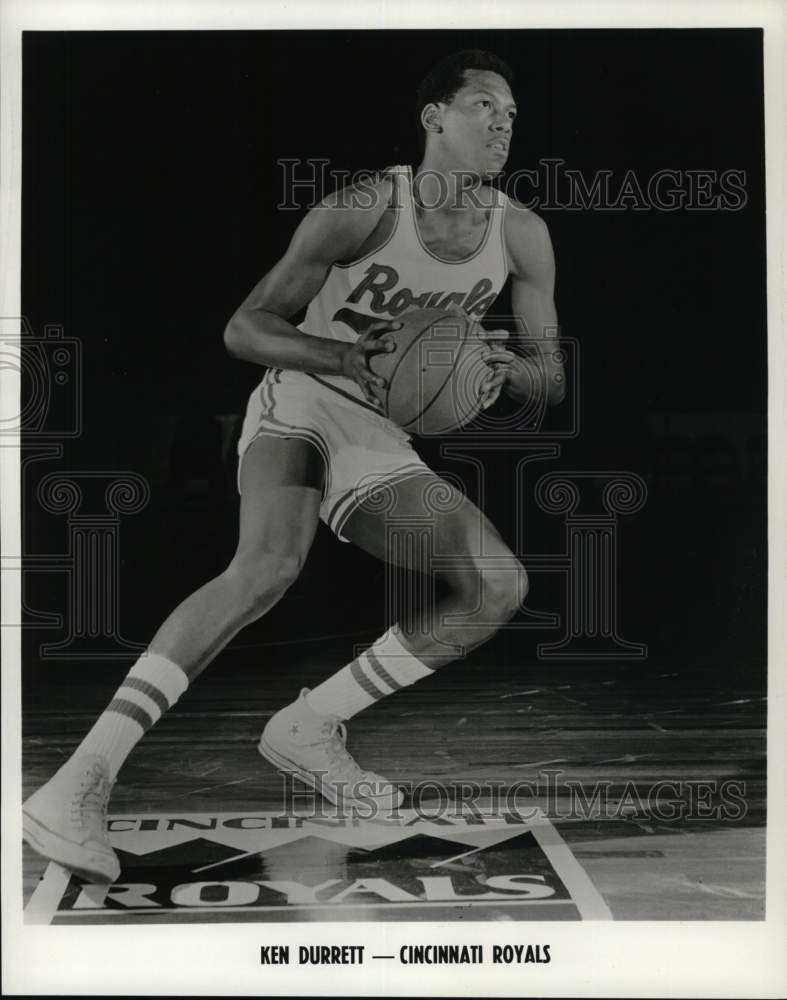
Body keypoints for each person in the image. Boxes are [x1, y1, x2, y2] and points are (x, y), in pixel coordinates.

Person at [22, 49, 565, 884]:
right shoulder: (359, 209)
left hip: (379, 434)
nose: (502, 122)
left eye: (511, 114)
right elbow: (245, 328)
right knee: (267, 564)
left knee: (496, 584)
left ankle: (310, 726)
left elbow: (549, 373)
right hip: (305, 400)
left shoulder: (520, 234)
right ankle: (77, 781)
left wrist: (502, 372)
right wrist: (343, 360)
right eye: (485, 105)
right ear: (434, 117)